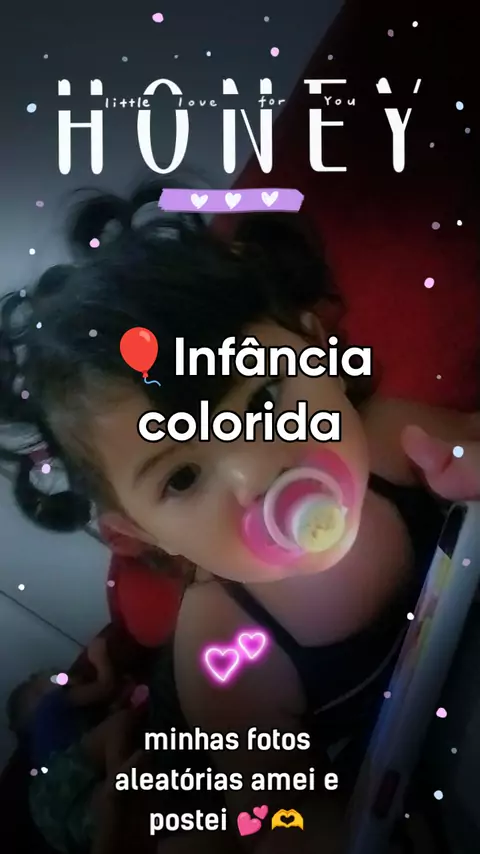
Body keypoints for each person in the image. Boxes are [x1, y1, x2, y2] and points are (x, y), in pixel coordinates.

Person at [0, 179, 478, 853]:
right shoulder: (225, 651)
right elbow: (286, 816)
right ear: (139, 534)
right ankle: (58, 739)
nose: (257, 471)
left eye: (262, 401)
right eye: (184, 476)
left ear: (317, 345)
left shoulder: (395, 444)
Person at [7, 637, 141, 854]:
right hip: (57, 780)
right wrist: (99, 657)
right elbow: (105, 686)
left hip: (45, 814)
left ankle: (107, 820)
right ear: (37, 695)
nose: (61, 675)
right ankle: (118, 782)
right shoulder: (50, 704)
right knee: (120, 723)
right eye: (50, 677)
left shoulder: (45, 744)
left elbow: (92, 743)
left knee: (100, 814)